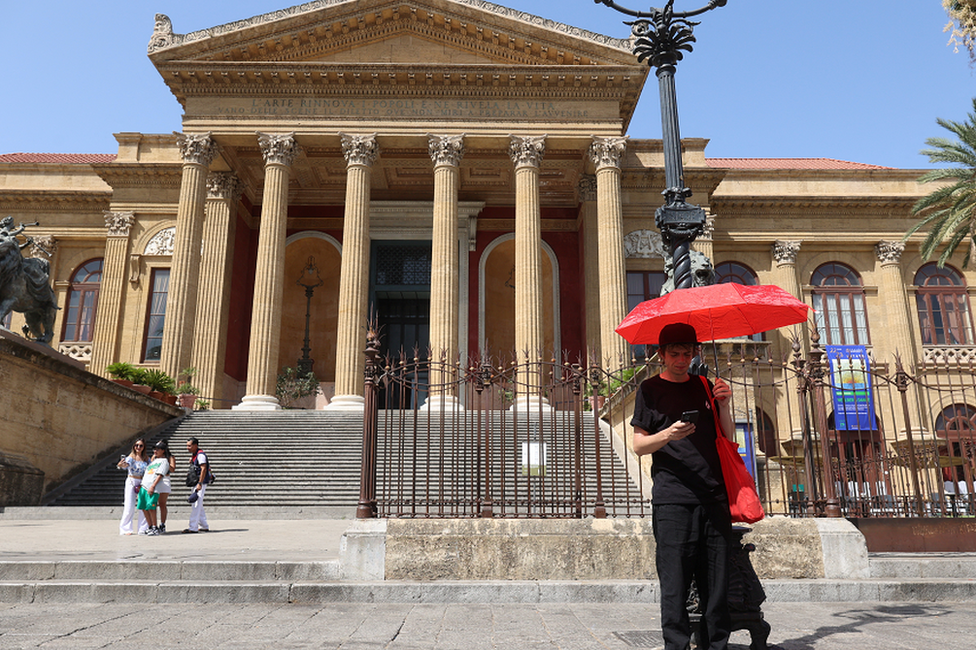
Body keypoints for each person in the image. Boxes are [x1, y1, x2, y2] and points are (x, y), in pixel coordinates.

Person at [631, 322, 735, 650]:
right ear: (661, 354)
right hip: (673, 499)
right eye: (674, 353)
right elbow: (638, 444)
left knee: (716, 586)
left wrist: (724, 405)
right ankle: (676, 646)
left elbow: (728, 437)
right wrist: (667, 435)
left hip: (713, 496)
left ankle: (715, 645)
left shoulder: (705, 386)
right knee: (675, 585)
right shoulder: (649, 390)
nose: (680, 360)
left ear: (695, 353)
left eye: (687, 353)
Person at [136, 441, 170, 536]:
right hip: (144, 485)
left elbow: (160, 475)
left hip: (153, 487)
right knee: (143, 507)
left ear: (163, 451)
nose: (155, 451)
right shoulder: (153, 461)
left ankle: (155, 527)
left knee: (151, 507)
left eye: (158, 449)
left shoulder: (164, 461)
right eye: (154, 449)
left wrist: (153, 486)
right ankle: (150, 526)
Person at [116, 439, 149, 536]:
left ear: (144, 447)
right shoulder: (131, 457)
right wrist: (121, 465)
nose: (138, 447)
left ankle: (143, 528)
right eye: (136, 445)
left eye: (141, 446)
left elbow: (151, 467)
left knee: (143, 505)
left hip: (142, 482)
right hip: (132, 480)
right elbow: (124, 465)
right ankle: (125, 528)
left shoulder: (146, 458)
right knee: (129, 505)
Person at [183, 437, 211, 533]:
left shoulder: (200, 455)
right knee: (198, 504)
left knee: (196, 504)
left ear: (196, 445)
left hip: (200, 482)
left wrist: (200, 483)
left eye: (189, 445)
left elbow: (204, 469)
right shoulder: (195, 455)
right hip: (197, 481)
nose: (187, 447)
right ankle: (204, 525)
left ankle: (193, 527)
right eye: (187, 445)